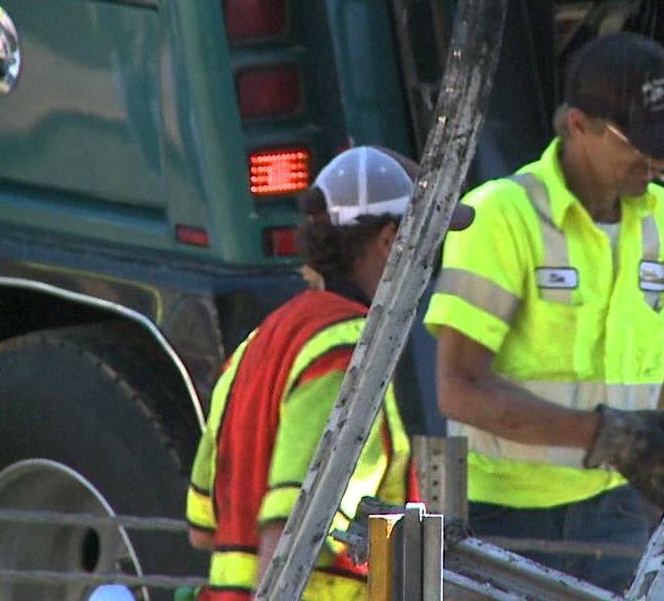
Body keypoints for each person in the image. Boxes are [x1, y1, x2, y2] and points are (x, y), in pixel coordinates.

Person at [424, 32, 664, 592]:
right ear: (578, 126)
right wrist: (604, 437)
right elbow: (457, 389)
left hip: (617, 510)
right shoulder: (500, 216)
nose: (658, 160)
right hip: (504, 518)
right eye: (640, 143)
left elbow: (660, 365)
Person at [184, 146, 472, 600]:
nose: (435, 258)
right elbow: (292, 528)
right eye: (431, 240)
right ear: (389, 239)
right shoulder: (351, 353)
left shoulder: (259, 344)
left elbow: (203, 530)